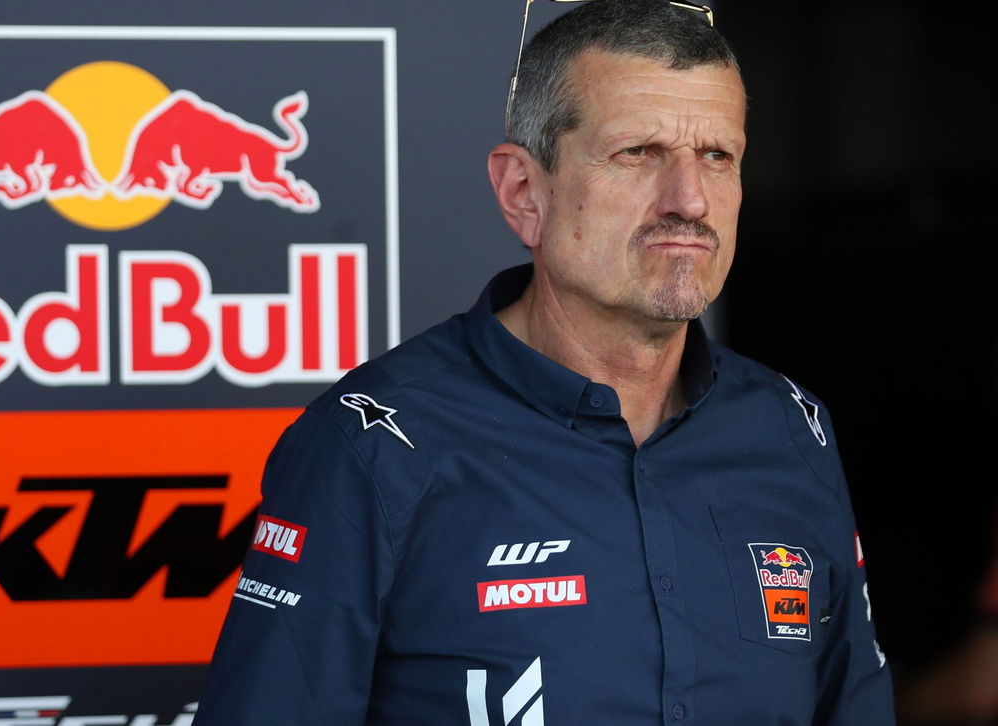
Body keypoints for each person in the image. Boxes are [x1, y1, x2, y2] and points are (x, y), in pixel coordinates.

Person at [195, 2, 895, 723]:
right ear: (523, 193)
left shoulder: (792, 429)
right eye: (638, 153)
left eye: (718, 156)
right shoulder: (374, 447)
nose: (690, 200)